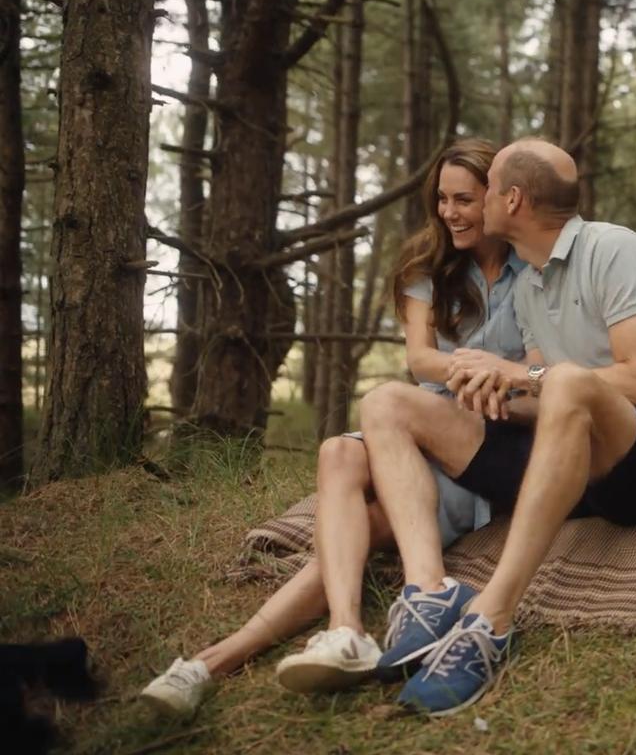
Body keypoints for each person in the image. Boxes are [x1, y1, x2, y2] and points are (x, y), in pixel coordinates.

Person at [139, 138, 527, 716]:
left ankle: (211, 662)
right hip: (416, 428)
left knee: (350, 540)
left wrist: (501, 380)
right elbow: (420, 360)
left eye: (464, 200)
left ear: (499, 199)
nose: (449, 212)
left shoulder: (534, 269)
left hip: (475, 450)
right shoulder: (430, 267)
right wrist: (474, 368)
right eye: (442, 199)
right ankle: (346, 629)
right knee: (337, 455)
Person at [358, 137, 636, 716]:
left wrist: (520, 372)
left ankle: (491, 619)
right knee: (386, 402)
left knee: (574, 382)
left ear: (513, 199)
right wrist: (495, 391)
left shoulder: (614, 249)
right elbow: (538, 392)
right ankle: (428, 592)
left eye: (489, 190)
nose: (474, 205)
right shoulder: (527, 280)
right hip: (564, 461)